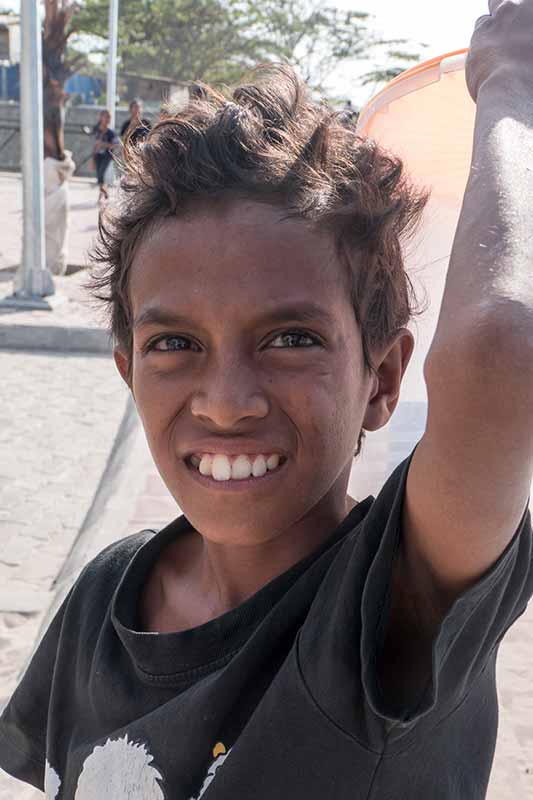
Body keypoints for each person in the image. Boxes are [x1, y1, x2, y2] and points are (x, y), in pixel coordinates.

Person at [1, 3, 533, 797]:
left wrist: (510, 81)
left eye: (290, 339)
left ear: (382, 381)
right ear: (128, 371)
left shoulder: (386, 610)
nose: (225, 403)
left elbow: (499, 359)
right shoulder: (102, 595)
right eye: (174, 344)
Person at [43, 107, 76, 276]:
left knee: (54, 244)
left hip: (55, 214)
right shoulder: (50, 159)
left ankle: (54, 269)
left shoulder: (56, 160)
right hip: (48, 215)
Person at [91, 109, 119, 204]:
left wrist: (104, 144)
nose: (107, 119)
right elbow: (94, 145)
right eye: (105, 117)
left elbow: (115, 145)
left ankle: (101, 194)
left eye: (109, 117)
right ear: (101, 118)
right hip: (97, 155)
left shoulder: (111, 133)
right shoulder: (96, 131)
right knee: (99, 176)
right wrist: (92, 159)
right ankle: (104, 191)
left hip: (107, 156)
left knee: (101, 174)